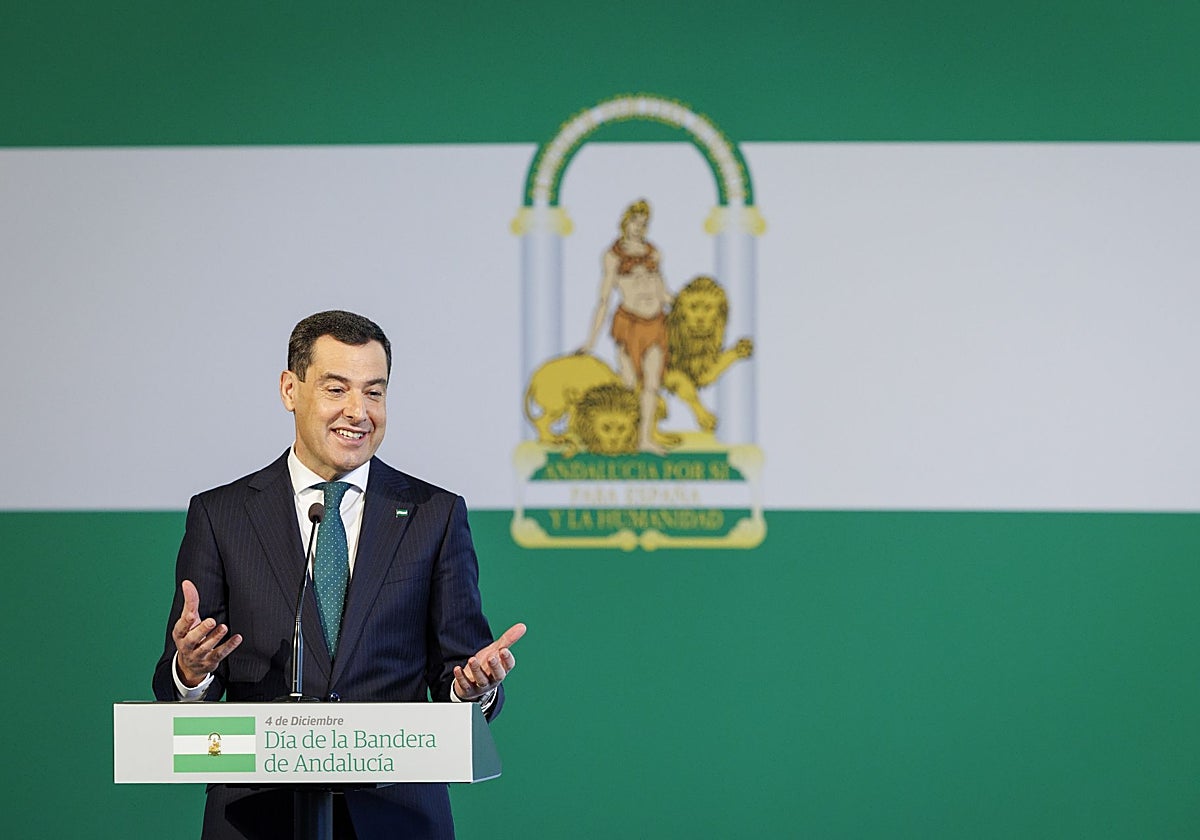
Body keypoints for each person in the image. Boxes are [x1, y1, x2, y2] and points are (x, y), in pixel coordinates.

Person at [152, 310, 525, 839]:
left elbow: (456, 675)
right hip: (259, 818)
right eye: (337, 389)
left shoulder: (432, 515)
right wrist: (192, 673)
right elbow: (182, 690)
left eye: (375, 393)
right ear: (290, 389)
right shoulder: (223, 515)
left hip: (397, 818)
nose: (359, 411)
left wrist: (471, 690)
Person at [578, 199, 674, 454]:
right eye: (635, 222)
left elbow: (663, 293)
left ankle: (646, 438)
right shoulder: (613, 256)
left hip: (655, 324)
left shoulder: (653, 253)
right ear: (625, 222)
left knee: (652, 384)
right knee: (629, 385)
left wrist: (682, 303)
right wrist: (590, 341)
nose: (639, 228)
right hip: (628, 323)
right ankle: (628, 438)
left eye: (644, 224)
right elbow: (604, 299)